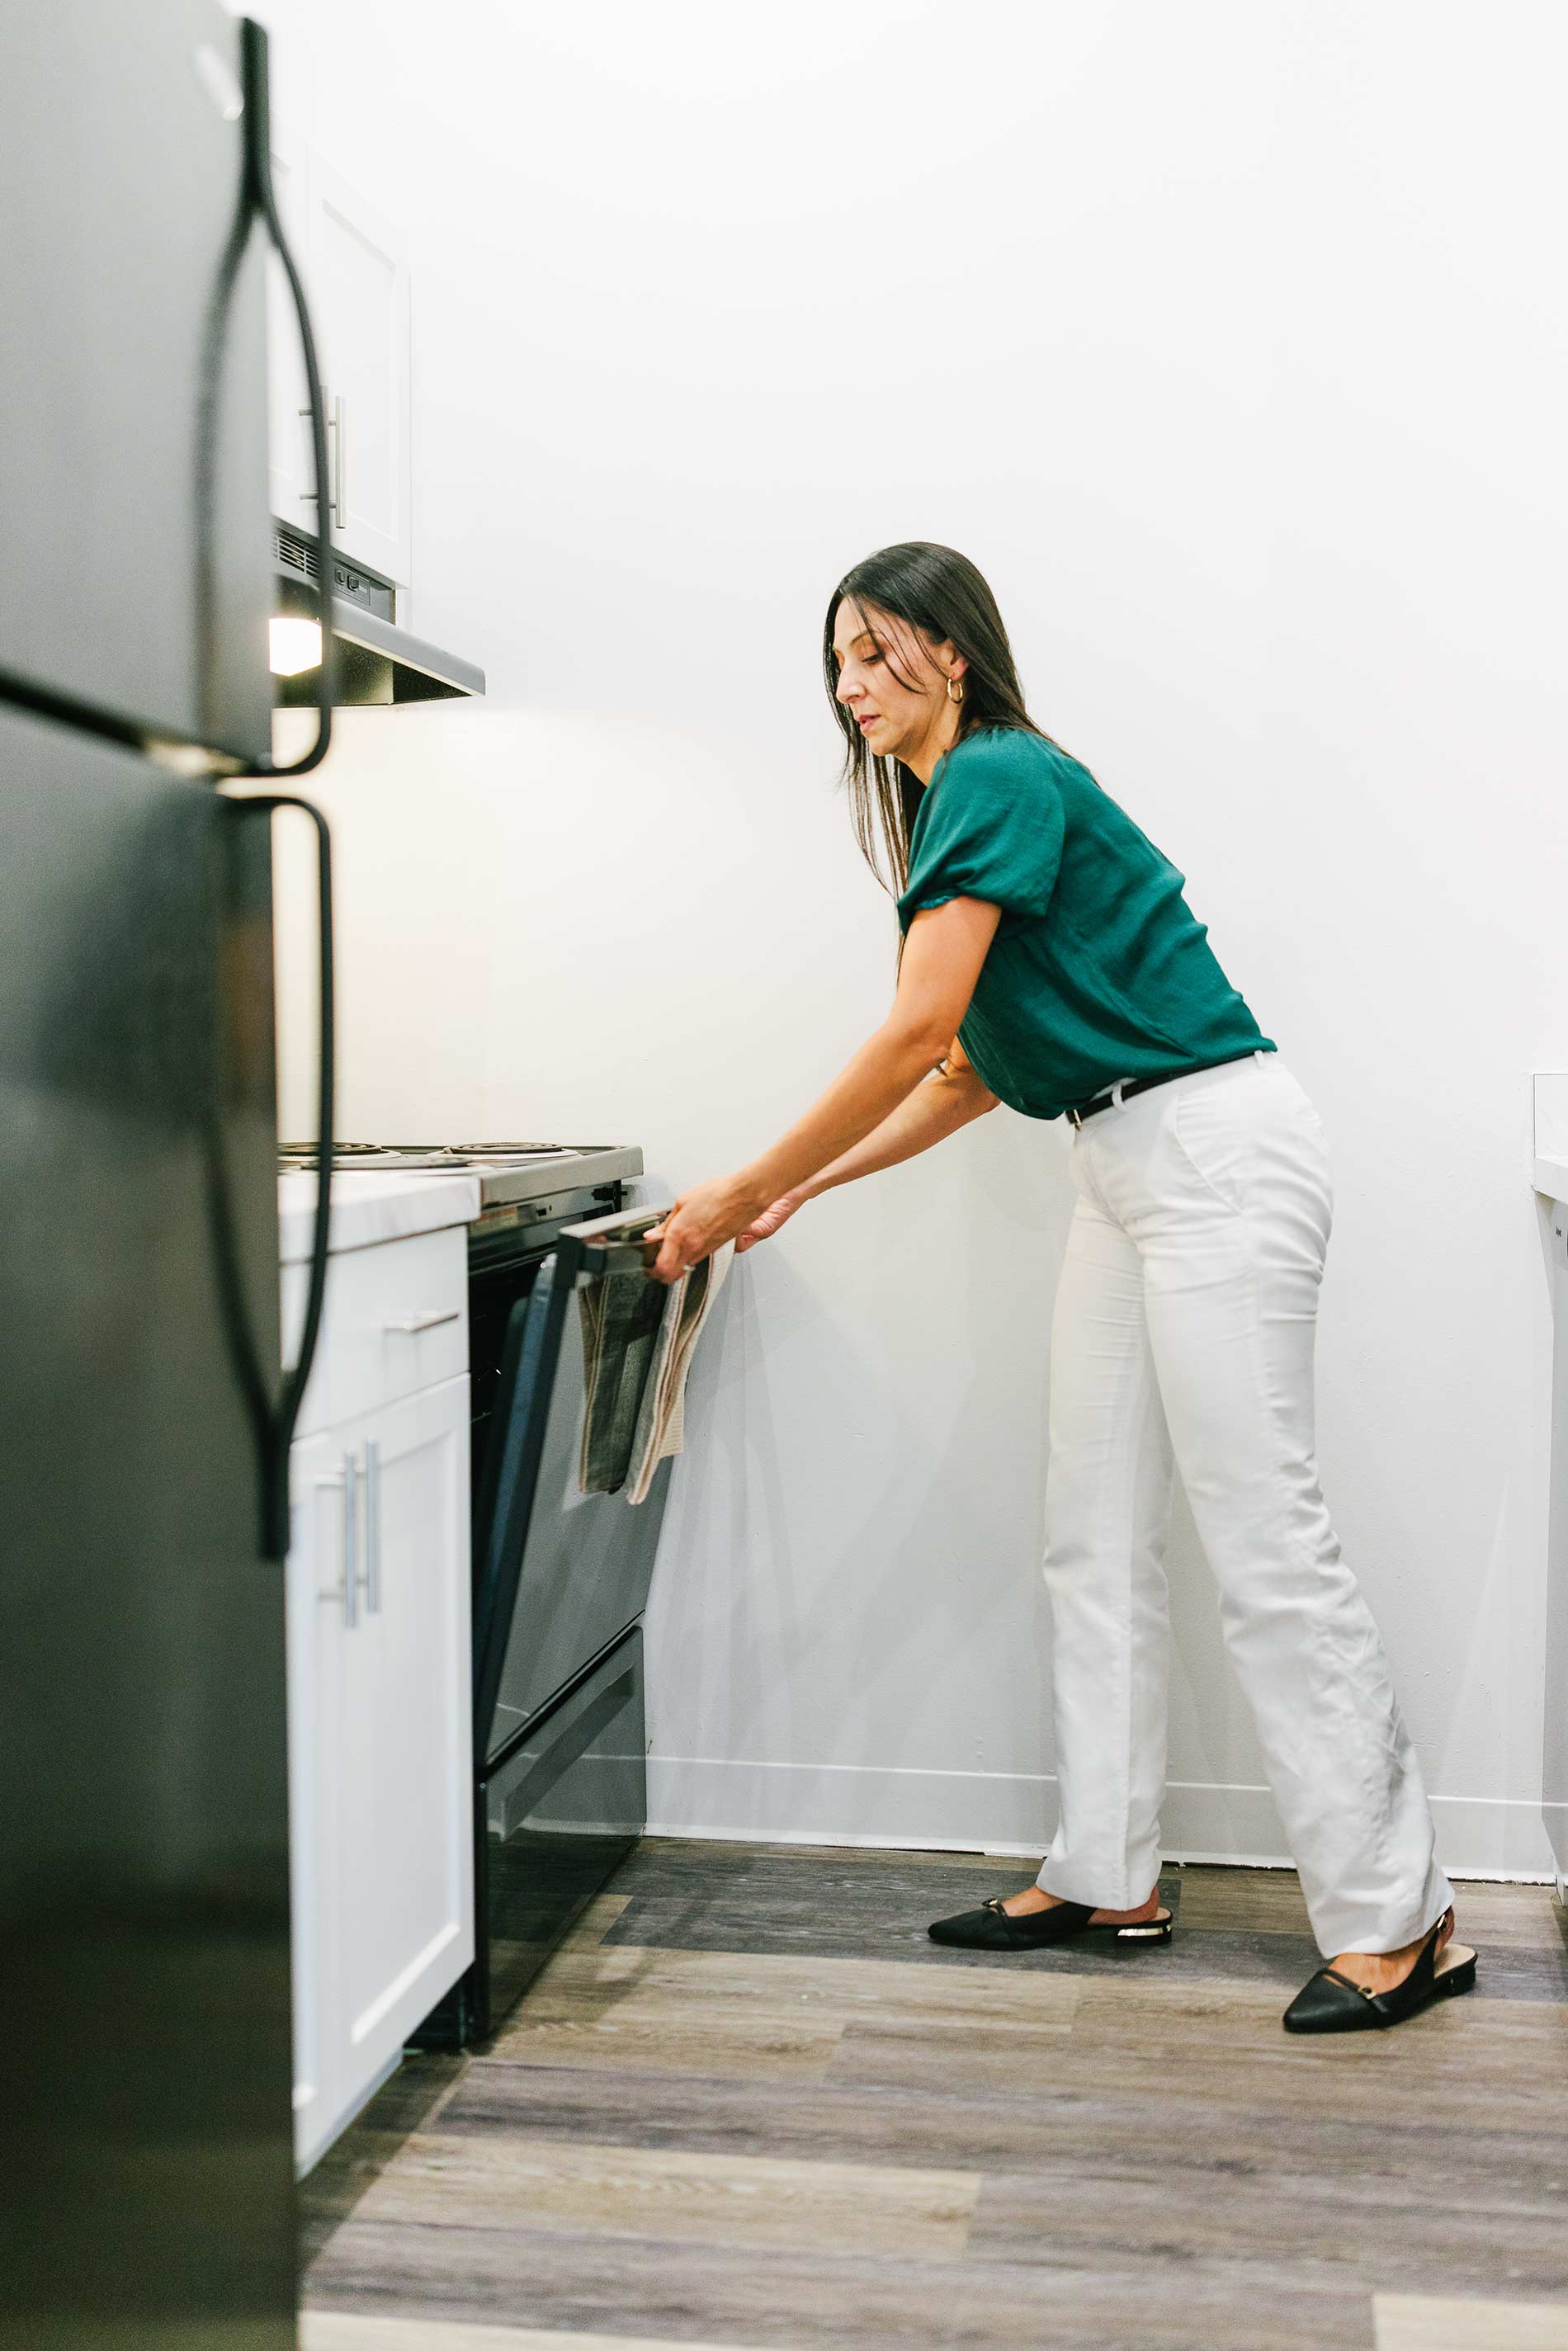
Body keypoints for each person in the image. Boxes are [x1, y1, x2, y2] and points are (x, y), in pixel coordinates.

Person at [643, 540, 1476, 2034]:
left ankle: (1400, 1917)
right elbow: (966, 1074)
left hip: (1213, 1146)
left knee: (1265, 1537)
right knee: (1088, 1525)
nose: (851, 686)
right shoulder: (962, 808)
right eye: (834, 662)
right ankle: (1108, 1873)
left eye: (877, 650)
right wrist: (799, 1195)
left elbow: (912, 1035)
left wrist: (746, 1185)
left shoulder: (998, 776)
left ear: (952, 653)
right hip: (1121, 1162)